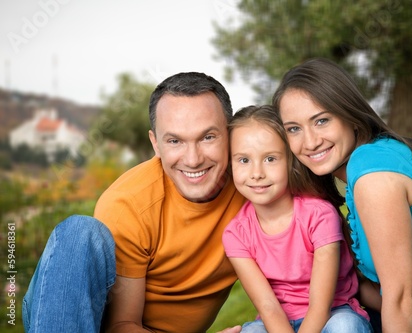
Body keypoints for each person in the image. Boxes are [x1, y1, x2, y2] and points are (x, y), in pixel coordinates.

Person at [271, 57, 412, 332]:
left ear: (349, 115)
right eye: (294, 129)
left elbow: (402, 298)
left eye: (321, 121)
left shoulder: (372, 175)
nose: (309, 141)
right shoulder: (375, 156)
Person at [22, 72, 248, 332]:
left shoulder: (254, 185)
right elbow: (121, 325)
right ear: (156, 144)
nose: (193, 159)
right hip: (78, 319)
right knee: (79, 233)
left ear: (230, 134)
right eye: (175, 141)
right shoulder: (129, 203)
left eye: (208, 137)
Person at [222, 105, 373, 333]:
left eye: (270, 159)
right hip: (275, 323)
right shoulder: (236, 234)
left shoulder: (318, 215)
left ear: (290, 161)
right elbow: (268, 306)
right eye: (244, 160)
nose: (256, 173)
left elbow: (320, 307)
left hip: (332, 313)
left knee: (345, 326)